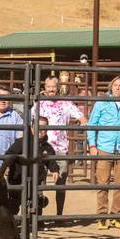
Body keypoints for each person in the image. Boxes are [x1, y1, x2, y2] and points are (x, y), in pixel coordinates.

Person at [87, 76, 120, 230]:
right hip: (104, 148)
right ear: (111, 86)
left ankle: (116, 216)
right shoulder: (101, 103)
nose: (118, 88)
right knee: (103, 183)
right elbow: (92, 124)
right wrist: (92, 145)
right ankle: (102, 217)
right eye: (115, 85)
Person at [38, 75, 87, 216]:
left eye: (54, 86)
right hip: (42, 148)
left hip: (60, 148)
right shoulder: (39, 104)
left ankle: (59, 215)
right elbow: (30, 123)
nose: (51, 89)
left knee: (61, 183)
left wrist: (80, 123)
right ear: (44, 88)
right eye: (49, 86)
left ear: (58, 87)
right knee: (39, 182)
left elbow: (82, 118)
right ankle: (38, 217)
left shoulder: (66, 103)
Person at [3, 116, 60, 217]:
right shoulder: (22, 142)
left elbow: (51, 160)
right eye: (38, 127)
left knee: (36, 201)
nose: (41, 131)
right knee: (14, 202)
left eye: (44, 128)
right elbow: (9, 154)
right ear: (32, 126)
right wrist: (6, 167)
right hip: (18, 177)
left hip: (36, 179)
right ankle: (11, 222)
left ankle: (35, 222)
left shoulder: (46, 146)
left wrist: (55, 170)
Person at [0, 86, 23, 166]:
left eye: (6, 97)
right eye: (0, 97)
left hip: (4, 166)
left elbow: (21, 139)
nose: (3, 100)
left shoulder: (15, 116)